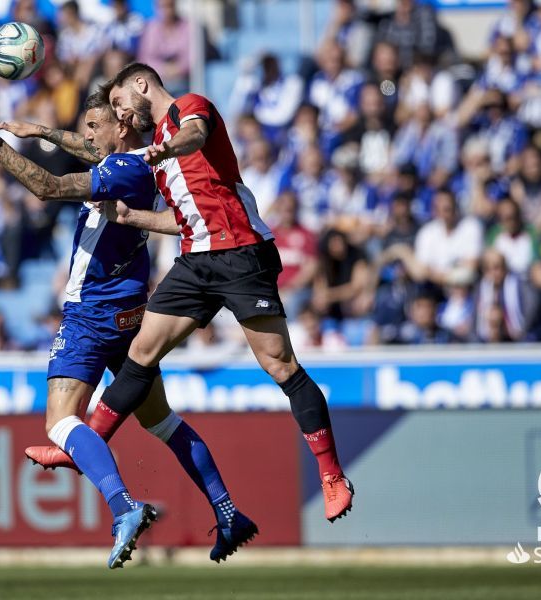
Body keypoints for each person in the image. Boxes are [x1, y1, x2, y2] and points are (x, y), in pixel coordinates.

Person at [0, 93, 256, 565]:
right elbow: (90, 149)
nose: (90, 136)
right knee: (162, 421)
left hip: (91, 312)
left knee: (59, 421)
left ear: (122, 124)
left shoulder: (123, 171)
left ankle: (123, 507)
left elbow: (48, 187)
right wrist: (41, 131)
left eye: (97, 126)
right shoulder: (141, 160)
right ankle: (228, 512)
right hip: (131, 312)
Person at [103, 62, 353, 522]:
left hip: (240, 252)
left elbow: (195, 137)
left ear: (141, 84)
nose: (120, 113)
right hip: (196, 259)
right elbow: (183, 219)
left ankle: (333, 474)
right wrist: (132, 217)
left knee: (280, 365)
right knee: (141, 350)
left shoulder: (188, 109)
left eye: (119, 101)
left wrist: (161, 152)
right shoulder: (159, 147)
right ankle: (88, 443)